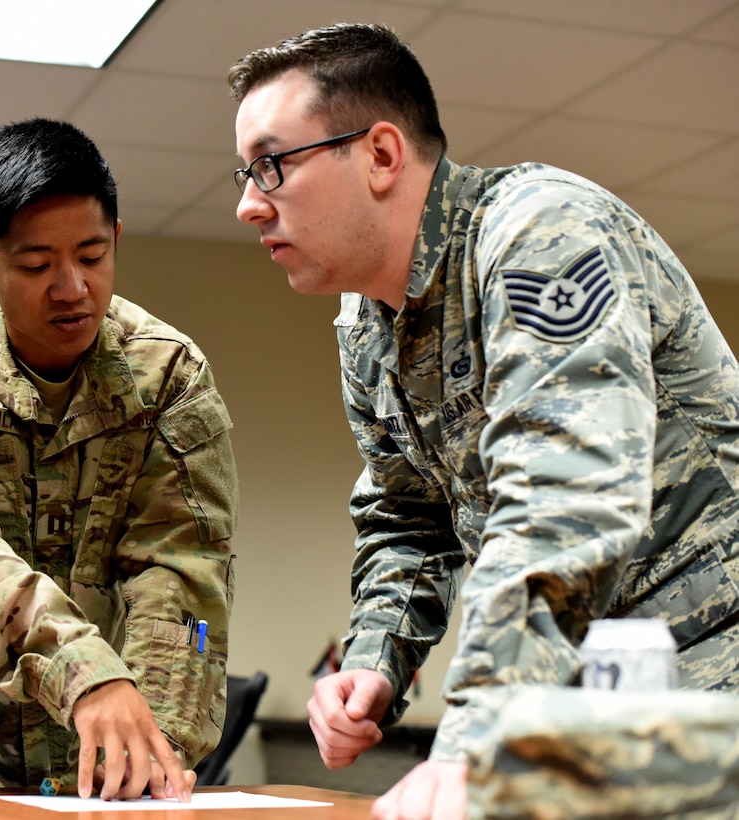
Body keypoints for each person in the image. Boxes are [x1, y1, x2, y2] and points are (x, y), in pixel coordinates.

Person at [228, 22, 739, 820]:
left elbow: (561, 500)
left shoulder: (539, 231)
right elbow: (409, 516)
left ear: (381, 155)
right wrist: (376, 661)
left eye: (270, 165)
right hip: (604, 687)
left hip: (716, 656)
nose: (247, 204)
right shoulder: (364, 327)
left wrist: (478, 736)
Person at [0, 118, 237, 802]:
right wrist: (80, 667)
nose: (72, 288)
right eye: (36, 266)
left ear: (116, 240)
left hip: (91, 760)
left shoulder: (168, 374)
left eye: (92, 256)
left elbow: (180, 569)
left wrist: (160, 743)